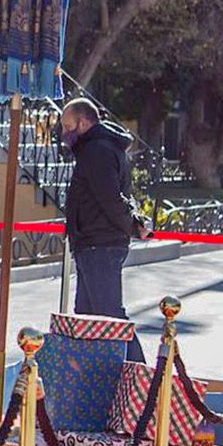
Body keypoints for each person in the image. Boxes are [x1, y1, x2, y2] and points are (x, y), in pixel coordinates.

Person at [60, 96, 137, 318]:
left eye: (67, 126)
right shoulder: (100, 148)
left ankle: (133, 355)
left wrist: (131, 224)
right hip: (93, 242)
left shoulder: (97, 151)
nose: (64, 133)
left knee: (109, 317)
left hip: (100, 243)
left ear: (83, 123)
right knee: (87, 316)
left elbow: (110, 197)